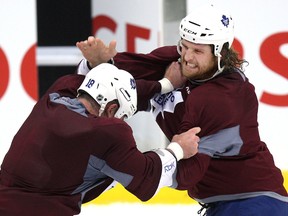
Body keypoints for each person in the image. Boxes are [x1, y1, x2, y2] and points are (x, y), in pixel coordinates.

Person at [76, 4, 288, 216]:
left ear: (220, 53)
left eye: (197, 51)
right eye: (184, 46)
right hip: (225, 203)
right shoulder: (176, 61)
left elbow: (185, 175)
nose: (187, 57)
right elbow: (124, 78)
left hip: (256, 203)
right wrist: (101, 64)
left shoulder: (222, 99)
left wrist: (129, 167)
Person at [0, 63, 201, 216]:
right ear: (112, 109)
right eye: (122, 116)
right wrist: (178, 149)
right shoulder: (107, 132)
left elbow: (97, 87)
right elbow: (147, 178)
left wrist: (163, 85)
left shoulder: (55, 95)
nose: (122, 121)